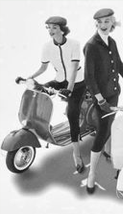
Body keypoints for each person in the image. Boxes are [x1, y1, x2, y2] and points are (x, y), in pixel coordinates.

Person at [83, 8, 123, 194]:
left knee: (109, 124)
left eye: (107, 22)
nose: (104, 25)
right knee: (102, 132)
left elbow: (119, 65)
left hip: (114, 93)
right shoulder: (91, 45)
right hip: (101, 97)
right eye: (100, 22)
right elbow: (89, 77)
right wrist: (99, 99)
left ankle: (108, 153)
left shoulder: (112, 42)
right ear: (96, 24)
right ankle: (92, 174)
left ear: (112, 23)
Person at [27, 16, 86, 173]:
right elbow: (43, 68)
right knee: (38, 92)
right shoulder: (47, 46)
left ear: (62, 28)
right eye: (48, 27)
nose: (50, 31)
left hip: (78, 83)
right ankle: (43, 125)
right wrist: (30, 78)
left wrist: (70, 89)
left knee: (72, 115)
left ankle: (77, 155)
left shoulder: (74, 44)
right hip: (60, 81)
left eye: (54, 27)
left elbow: (74, 68)